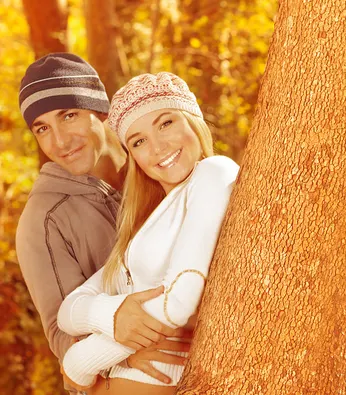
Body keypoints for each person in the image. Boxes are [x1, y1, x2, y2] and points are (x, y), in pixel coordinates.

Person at [56, 72, 239, 394]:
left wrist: (81, 361)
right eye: (138, 141)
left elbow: (178, 302)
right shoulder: (148, 221)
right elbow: (69, 311)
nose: (157, 148)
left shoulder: (215, 172)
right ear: (134, 157)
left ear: (193, 121)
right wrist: (112, 315)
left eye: (166, 123)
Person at [16, 54, 187, 394]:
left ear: (100, 112)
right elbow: (60, 331)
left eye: (69, 116)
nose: (60, 142)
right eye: (43, 129)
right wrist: (120, 359)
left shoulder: (156, 165)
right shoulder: (44, 219)